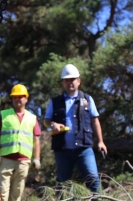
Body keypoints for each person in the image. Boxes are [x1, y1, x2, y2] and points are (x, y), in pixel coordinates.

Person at [44, 64, 107, 193]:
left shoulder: (88, 99)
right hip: (62, 150)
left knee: (93, 180)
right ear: (63, 82)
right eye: (66, 80)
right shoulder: (55, 102)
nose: (69, 82)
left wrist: (100, 141)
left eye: (72, 79)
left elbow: (95, 120)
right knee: (63, 184)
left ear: (79, 81)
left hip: (84, 148)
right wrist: (53, 125)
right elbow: (46, 120)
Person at [0, 84, 41, 201]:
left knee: (18, 189)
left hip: (23, 159)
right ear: (12, 99)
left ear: (26, 99)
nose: (18, 99)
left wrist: (37, 158)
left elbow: (36, 139)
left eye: (21, 97)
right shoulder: (4, 115)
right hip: (5, 158)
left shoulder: (32, 118)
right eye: (15, 97)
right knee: (2, 189)